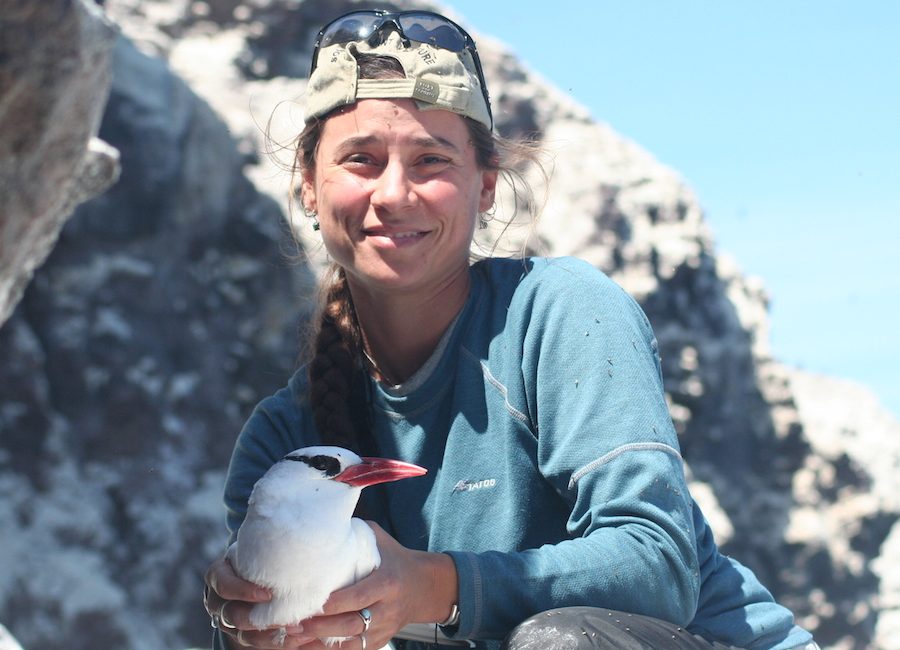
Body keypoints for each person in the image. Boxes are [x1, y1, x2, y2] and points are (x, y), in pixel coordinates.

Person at [203, 9, 818, 650]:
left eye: (430, 160)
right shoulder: (285, 441)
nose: (393, 193)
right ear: (308, 185)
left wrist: (433, 585)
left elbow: (659, 565)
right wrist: (251, 622)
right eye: (361, 159)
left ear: (487, 186)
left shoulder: (559, 315)